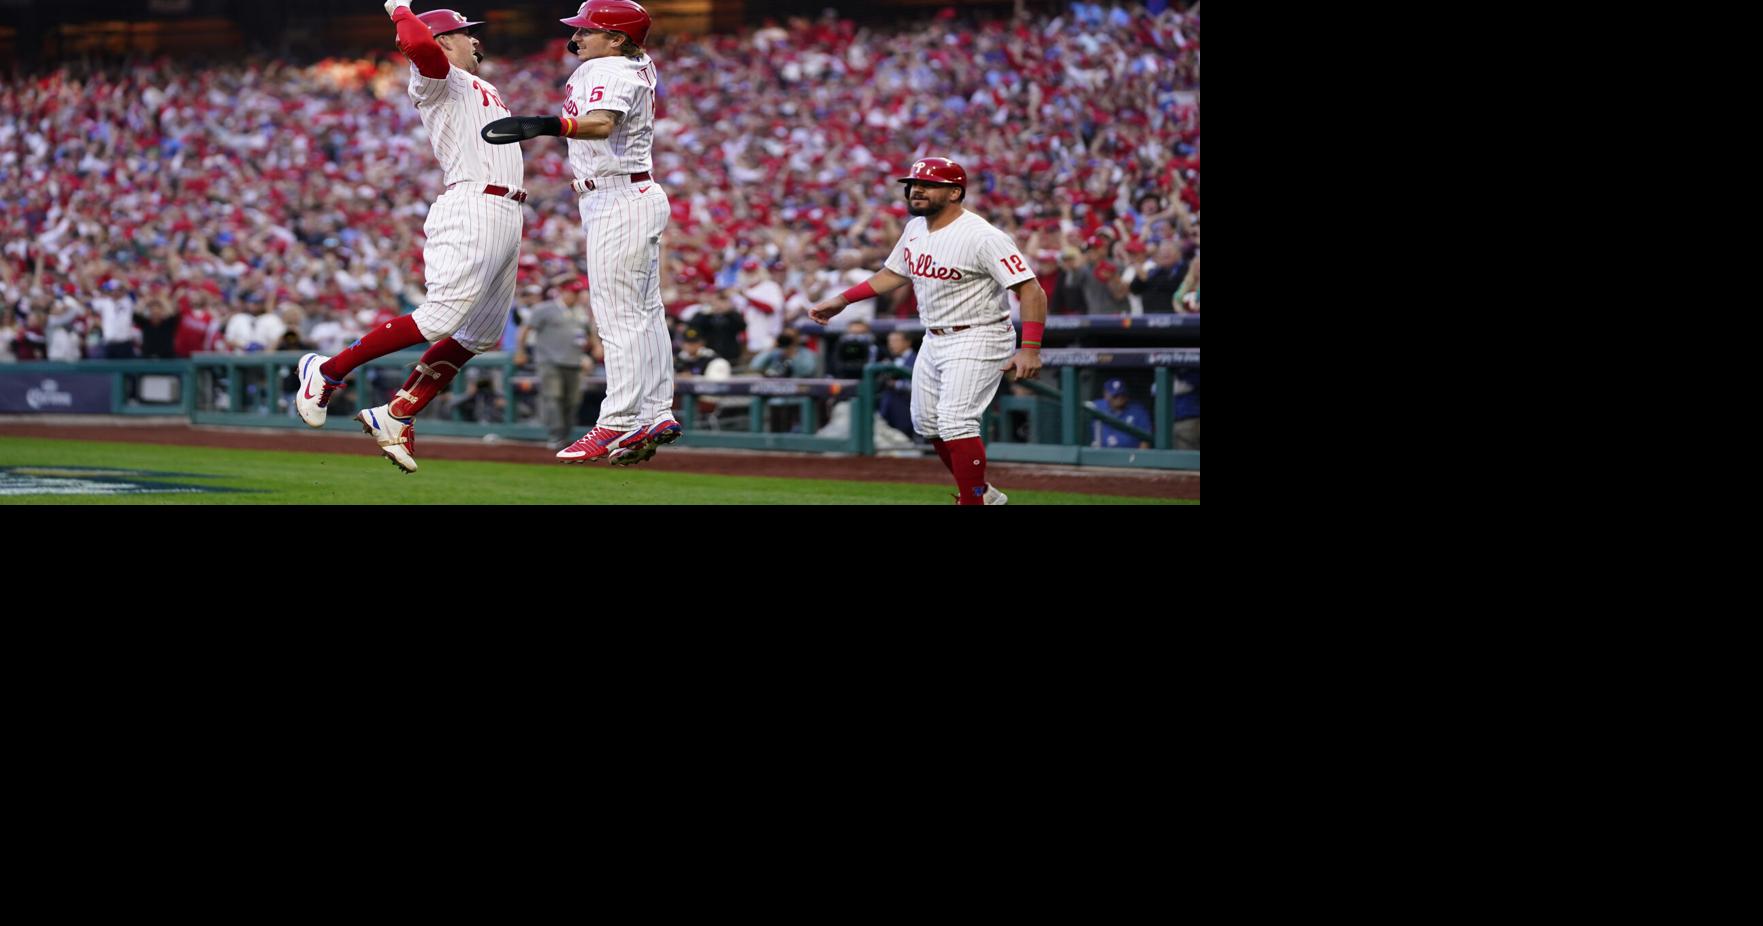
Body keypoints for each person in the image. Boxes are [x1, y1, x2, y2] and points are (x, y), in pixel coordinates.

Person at [291, 2, 526, 475]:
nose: (476, 40)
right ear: (443, 41)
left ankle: (396, 413)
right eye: (465, 34)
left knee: (479, 336)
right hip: (473, 204)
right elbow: (417, 45)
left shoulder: (480, 84)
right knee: (440, 318)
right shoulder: (437, 78)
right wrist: (400, 8)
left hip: (508, 210)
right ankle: (327, 370)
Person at [483, 0, 679, 466]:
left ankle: (618, 418)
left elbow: (601, 123)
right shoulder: (629, 63)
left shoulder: (608, 68)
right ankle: (655, 412)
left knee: (619, 318)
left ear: (616, 39)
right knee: (645, 313)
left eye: (587, 30)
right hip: (629, 192)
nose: (576, 38)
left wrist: (552, 125)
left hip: (617, 196)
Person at [808, 157, 1047, 506]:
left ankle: (972, 500)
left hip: (979, 332)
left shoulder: (983, 237)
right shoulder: (916, 229)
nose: (917, 189)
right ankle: (984, 493)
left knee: (956, 422)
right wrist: (843, 299)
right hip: (934, 336)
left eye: (928, 184)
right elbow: (893, 273)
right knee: (928, 424)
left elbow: (1031, 290)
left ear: (954, 192)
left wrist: (1030, 348)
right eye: (914, 184)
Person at [515, 282, 597, 450]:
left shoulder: (580, 312)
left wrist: (596, 346)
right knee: (553, 398)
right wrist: (521, 351)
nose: (575, 296)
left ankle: (565, 436)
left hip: (574, 362)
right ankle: (555, 435)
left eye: (577, 293)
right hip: (549, 361)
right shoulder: (545, 309)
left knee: (572, 401)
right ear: (563, 292)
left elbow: (588, 333)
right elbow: (525, 329)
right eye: (572, 292)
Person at [1090, 378, 1151, 449]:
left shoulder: (1138, 411)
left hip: (1129, 456)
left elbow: (1145, 441)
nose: (1120, 398)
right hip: (1102, 455)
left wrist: (1139, 459)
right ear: (1106, 395)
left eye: (1122, 394)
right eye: (1115, 395)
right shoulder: (1096, 407)